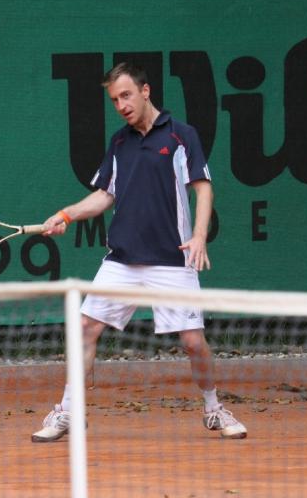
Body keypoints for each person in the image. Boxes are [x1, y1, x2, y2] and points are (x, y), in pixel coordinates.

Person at [31, 62, 247, 442]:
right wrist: (66, 215)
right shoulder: (119, 143)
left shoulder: (181, 136)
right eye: (115, 100)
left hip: (173, 258)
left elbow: (203, 188)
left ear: (146, 91)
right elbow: (104, 196)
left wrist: (199, 236)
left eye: (127, 95)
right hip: (123, 260)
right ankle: (68, 411)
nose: (122, 105)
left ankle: (213, 408)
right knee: (85, 328)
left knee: (193, 342)